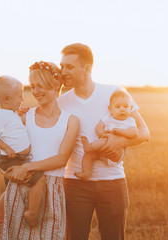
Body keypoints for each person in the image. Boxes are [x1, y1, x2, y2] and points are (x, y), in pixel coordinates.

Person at [58, 43, 150, 240]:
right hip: (75, 183)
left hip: (113, 182)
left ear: (87, 68)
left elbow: (144, 132)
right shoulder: (61, 102)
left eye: (69, 67)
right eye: (62, 66)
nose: (63, 72)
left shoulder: (115, 93)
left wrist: (120, 143)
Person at [0, 61, 80, 239]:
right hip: (22, 185)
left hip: (52, 189)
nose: (36, 91)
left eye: (41, 86)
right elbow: (1, 148)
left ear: (56, 85)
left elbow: (61, 159)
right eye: (33, 86)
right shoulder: (24, 117)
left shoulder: (71, 121)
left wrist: (27, 167)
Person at [0, 75, 45, 226]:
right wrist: (6, 147)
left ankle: (0, 215)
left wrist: (18, 115)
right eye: (20, 96)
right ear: (6, 98)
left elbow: (13, 128)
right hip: (13, 158)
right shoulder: (0, 116)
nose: (22, 100)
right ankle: (32, 213)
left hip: (19, 158)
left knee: (13, 188)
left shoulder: (10, 114)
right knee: (39, 179)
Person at [75, 89, 139, 181]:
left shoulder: (129, 121)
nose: (122, 109)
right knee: (89, 155)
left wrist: (121, 132)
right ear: (110, 109)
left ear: (130, 108)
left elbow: (134, 133)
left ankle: (89, 146)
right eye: (118, 107)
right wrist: (102, 133)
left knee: (106, 140)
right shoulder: (108, 118)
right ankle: (86, 172)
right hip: (102, 152)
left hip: (117, 153)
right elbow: (98, 127)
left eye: (126, 106)